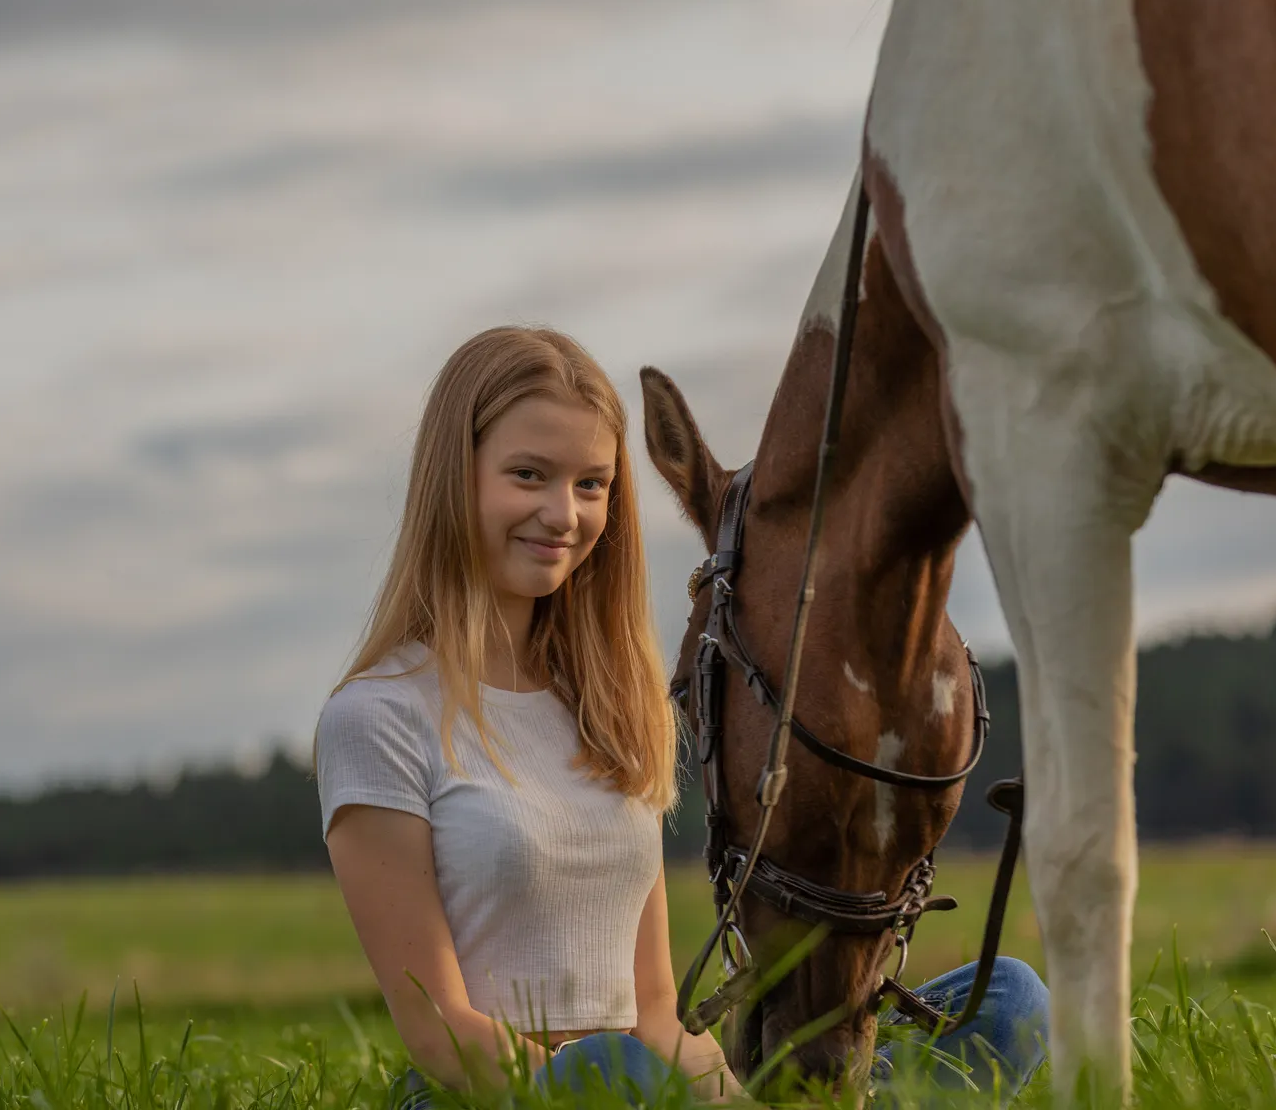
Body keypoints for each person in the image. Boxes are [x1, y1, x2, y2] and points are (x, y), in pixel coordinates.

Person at [315, 326, 1046, 1108]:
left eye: (592, 484)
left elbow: (658, 1016)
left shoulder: (608, 713)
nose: (564, 514)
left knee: (1011, 1001)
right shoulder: (379, 717)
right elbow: (441, 1033)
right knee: (615, 1072)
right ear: (453, 478)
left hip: (643, 1084)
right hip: (494, 1095)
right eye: (529, 475)